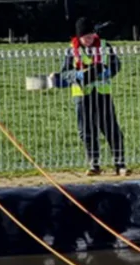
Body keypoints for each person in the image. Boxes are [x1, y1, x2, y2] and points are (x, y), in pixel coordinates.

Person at [52, 17, 128, 176]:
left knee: (111, 128)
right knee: (86, 131)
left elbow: (116, 65)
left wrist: (107, 72)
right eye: (85, 37)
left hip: (102, 93)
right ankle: (94, 164)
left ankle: (120, 164)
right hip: (82, 95)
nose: (88, 40)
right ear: (78, 37)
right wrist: (78, 75)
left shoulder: (105, 46)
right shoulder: (71, 50)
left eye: (90, 36)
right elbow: (64, 73)